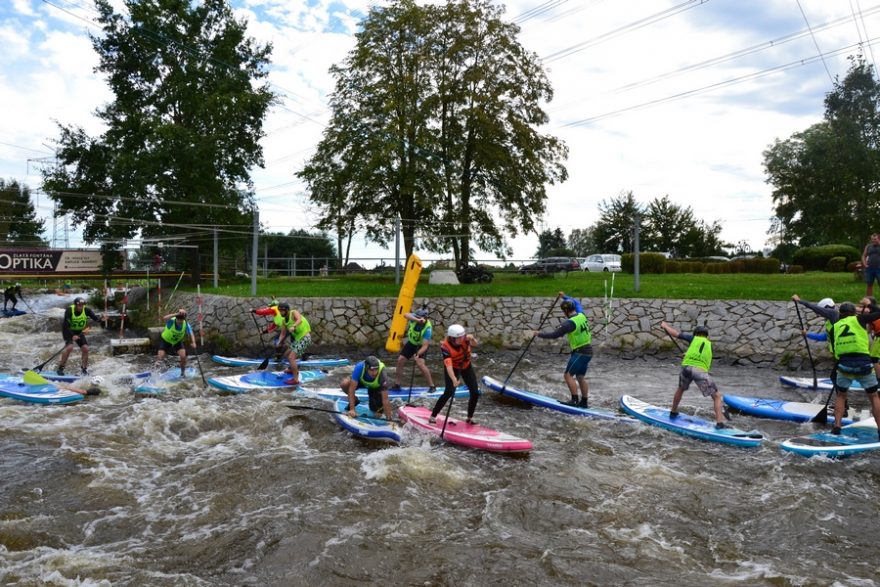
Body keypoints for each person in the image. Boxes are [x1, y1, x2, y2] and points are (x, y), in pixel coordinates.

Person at [821, 300, 880, 436]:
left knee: (841, 396)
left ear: (840, 314)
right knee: (873, 396)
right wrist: (869, 305)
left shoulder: (835, 326)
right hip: (863, 364)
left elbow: (835, 350)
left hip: (844, 365)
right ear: (854, 312)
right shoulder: (860, 319)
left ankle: (837, 427)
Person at [659, 321, 729, 428]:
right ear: (706, 336)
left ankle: (673, 412)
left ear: (695, 334)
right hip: (699, 371)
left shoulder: (693, 339)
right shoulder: (709, 344)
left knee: (680, 389)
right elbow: (700, 353)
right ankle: (720, 423)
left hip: (686, 368)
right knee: (717, 396)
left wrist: (665, 326)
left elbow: (675, 334)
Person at [533, 292, 592, 407]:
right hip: (589, 351)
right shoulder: (581, 315)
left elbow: (554, 335)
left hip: (580, 352)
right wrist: (564, 296)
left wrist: (539, 334)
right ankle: (584, 402)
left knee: (568, 375)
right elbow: (576, 302)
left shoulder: (569, 323)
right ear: (573, 308)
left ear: (565, 311)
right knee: (580, 376)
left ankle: (574, 400)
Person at [429, 324, 480, 425]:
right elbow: (448, 367)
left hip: (466, 367)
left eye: (462, 337)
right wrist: (454, 379)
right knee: (449, 392)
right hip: (453, 368)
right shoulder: (445, 347)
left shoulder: (465, 338)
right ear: (452, 338)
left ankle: (469, 418)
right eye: (459, 338)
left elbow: (475, 345)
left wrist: (472, 338)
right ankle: (433, 415)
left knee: (475, 392)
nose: (462, 339)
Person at [265, 302, 312, 385]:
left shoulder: (294, 312)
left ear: (287, 310)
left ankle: (295, 379)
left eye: (282, 311)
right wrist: (279, 342)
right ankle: (291, 369)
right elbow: (283, 334)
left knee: (291, 358)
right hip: (298, 340)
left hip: (305, 337)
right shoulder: (284, 321)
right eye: (279, 311)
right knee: (286, 354)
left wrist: (294, 326)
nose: (280, 313)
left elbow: (299, 320)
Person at [391, 307, 436, 392]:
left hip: (421, 346)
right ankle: (397, 384)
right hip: (411, 343)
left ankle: (432, 386)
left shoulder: (427, 329)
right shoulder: (414, 319)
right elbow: (405, 314)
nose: (416, 318)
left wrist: (418, 354)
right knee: (400, 360)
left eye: (418, 317)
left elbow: (425, 346)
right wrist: (417, 319)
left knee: (420, 364)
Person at [57, 296, 104, 376]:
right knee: (69, 348)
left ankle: (83, 369)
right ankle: (61, 368)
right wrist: (72, 335)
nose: (81, 307)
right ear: (75, 305)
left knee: (85, 349)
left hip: (79, 332)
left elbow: (96, 319)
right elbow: (66, 325)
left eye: (82, 305)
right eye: (79, 305)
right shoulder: (69, 310)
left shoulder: (86, 310)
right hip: (68, 331)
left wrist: (102, 319)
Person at [340, 355, 393, 421]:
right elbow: (351, 389)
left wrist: (389, 418)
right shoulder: (359, 367)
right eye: (372, 370)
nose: (374, 373)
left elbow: (385, 400)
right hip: (362, 382)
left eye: (376, 369)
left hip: (375, 387)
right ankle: (355, 400)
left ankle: (377, 407)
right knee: (344, 384)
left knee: (376, 412)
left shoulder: (382, 374)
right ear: (366, 368)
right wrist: (352, 409)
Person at [156, 309, 198, 377]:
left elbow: (191, 334)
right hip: (165, 340)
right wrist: (176, 314)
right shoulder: (171, 321)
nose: (179, 322)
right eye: (178, 320)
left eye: (181, 320)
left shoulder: (186, 324)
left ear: (183, 320)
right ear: (176, 318)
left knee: (183, 356)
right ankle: (155, 372)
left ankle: (183, 373)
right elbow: (164, 318)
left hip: (177, 342)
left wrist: (193, 342)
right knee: (160, 356)